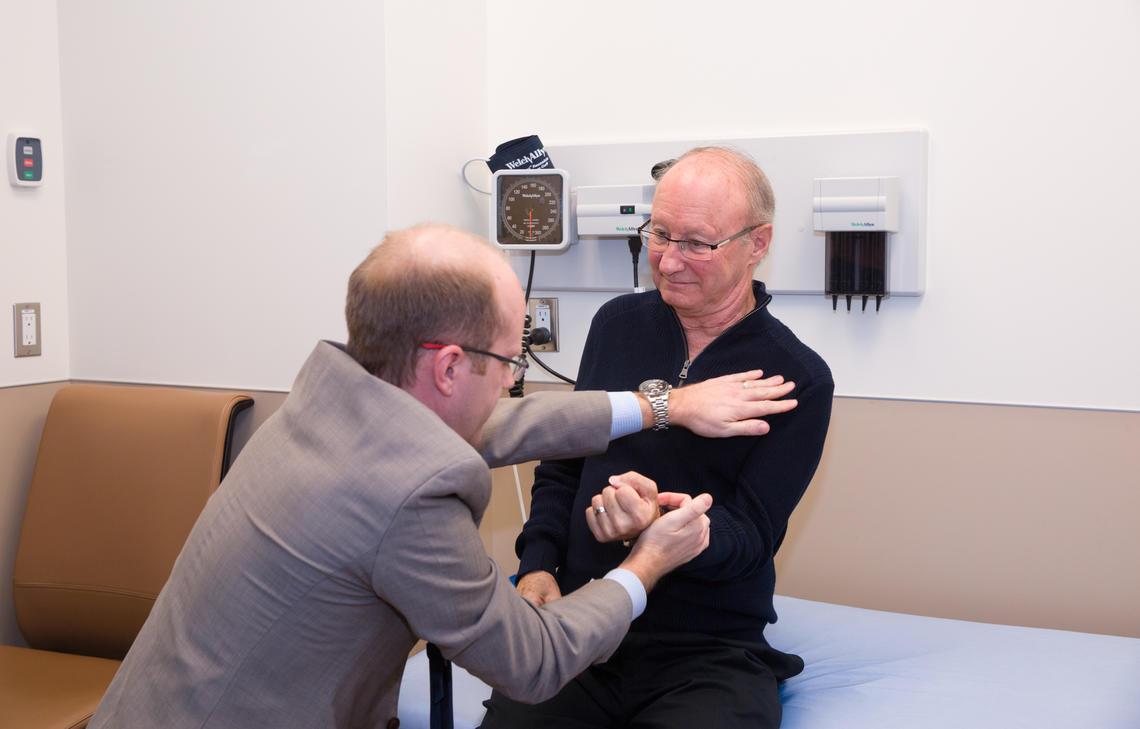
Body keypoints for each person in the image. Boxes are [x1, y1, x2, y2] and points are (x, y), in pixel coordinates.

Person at [88, 223, 802, 729]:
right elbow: (534, 659)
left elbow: (502, 428)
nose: (512, 382)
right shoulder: (408, 496)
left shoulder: (326, 406)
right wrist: (648, 562)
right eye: (510, 364)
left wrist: (660, 405)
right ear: (449, 366)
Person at [481, 147, 835, 729]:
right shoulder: (618, 325)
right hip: (581, 624)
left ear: (758, 243)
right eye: (659, 234)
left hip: (705, 649)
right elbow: (562, 468)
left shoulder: (795, 376)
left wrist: (661, 524)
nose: (669, 262)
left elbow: (751, 539)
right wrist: (539, 566)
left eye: (697, 243)